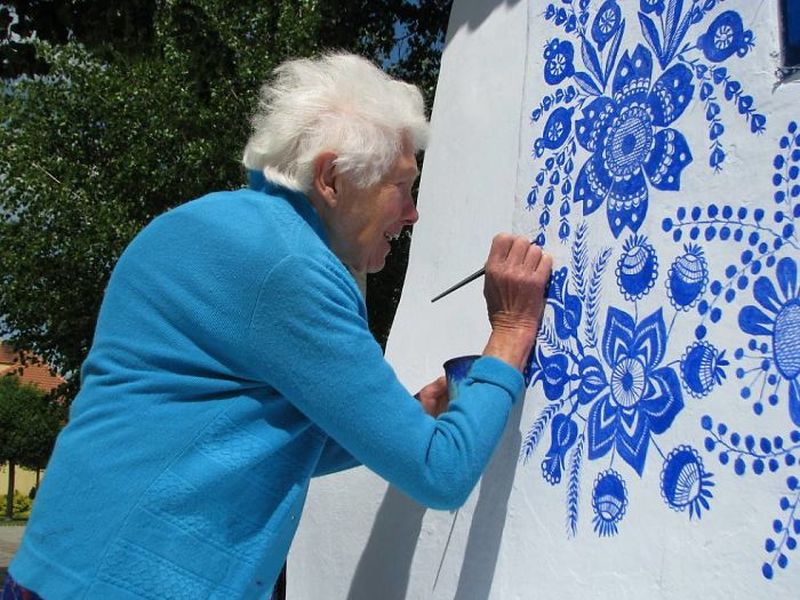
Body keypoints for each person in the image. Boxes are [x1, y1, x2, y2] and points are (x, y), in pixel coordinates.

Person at [4, 52, 552, 598]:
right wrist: (509, 332)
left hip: (58, 573)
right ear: (333, 177)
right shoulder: (288, 266)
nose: (413, 214)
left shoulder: (210, 225)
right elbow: (441, 472)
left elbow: (260, 440)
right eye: (403, 187)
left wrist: (405, 418)